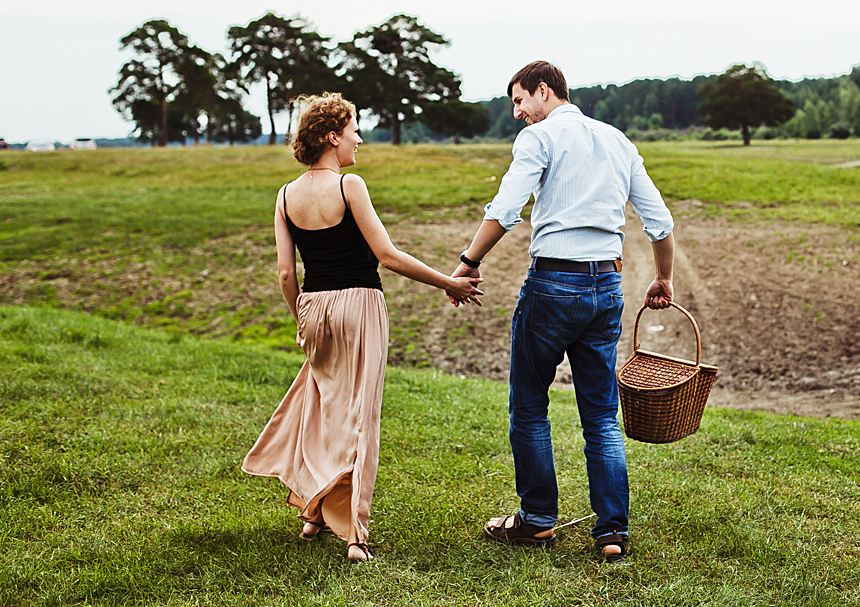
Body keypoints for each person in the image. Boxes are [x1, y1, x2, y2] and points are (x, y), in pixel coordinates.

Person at [450, 61, 675, 563]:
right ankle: (612, 531)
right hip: (607, 286)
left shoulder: (540, 138)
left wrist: (468, 262)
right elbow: (658, 222)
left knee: (529, 407)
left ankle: (536, 521)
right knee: (600, 414)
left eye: (519, 101)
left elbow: (506, 209)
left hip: (552, 283)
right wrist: (664, 278)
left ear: (543, 90)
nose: (517, 113)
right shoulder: (618, 140)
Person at [243, 93, 482, 562]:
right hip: (359, 306)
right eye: (354, 130)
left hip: (313, 308)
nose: (359, 139)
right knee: (358, 417)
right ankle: (354, 534)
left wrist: (301, 319)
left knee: (321, 406)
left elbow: (286, 274)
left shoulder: (286, 195)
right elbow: (388, 256)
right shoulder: (350, 185)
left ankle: (313, 514)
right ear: (332, 137)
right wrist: (447, 282)